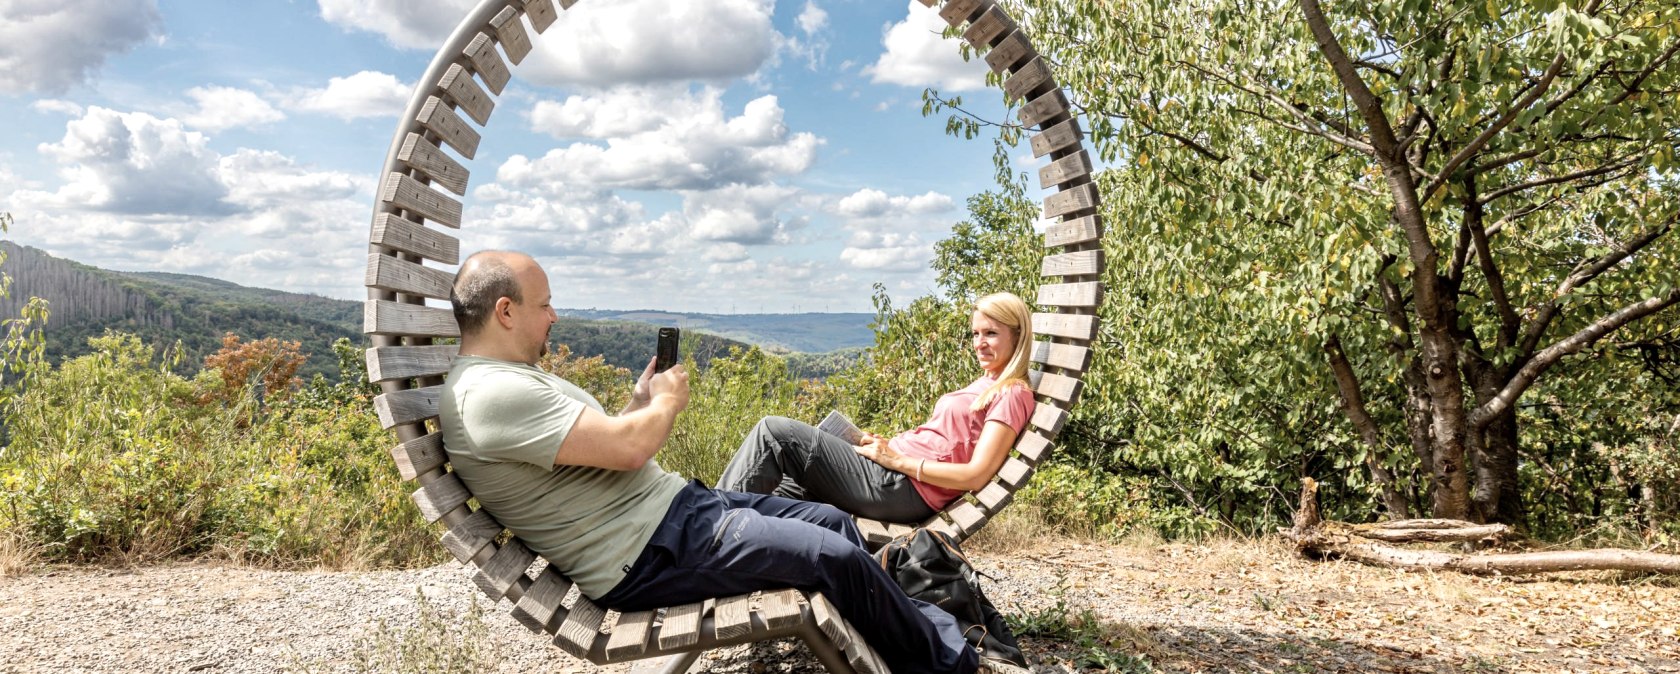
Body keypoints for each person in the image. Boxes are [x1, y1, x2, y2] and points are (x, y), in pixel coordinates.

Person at [437, 251, 1021, 674]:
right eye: (545, 305)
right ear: (506, 311)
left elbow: (599, 447)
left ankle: (912, 631)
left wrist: (638, 402)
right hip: (650, 551)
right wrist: (665, 405)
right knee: (835, 555)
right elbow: (629, 449)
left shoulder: (509, 381)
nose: (555, 316)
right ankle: (953, 663)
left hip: (673, 518)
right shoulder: (489, 394)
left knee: (832, 522)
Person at [718, 293, 1037, 523]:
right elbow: (946, 442)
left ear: (1018, 335)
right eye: (976, 333)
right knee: (783, 492)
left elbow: (976, 475)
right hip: (891, 476)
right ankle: (724, 555)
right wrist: (886, 447)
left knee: (775, 433)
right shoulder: (988, 382)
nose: (979, 343)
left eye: (991, 333)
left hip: (901, 488)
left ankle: (706, 530)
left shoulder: (1012, 393)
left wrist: (897, 460)